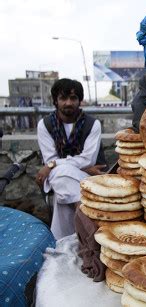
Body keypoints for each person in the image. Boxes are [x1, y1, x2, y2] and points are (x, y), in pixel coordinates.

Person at [35, 78, 106, 240]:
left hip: (88, 177)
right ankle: (87, 228)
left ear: (79, 101)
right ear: (55, 101)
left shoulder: (92, 124)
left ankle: (62, 242)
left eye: (73, 98)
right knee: (62, 174)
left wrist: (53, 165)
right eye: (63, 98)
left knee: (62, 184)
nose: (68, 103)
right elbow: (52, 158)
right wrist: (76, 166)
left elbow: (88, 159)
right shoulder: (45, 125)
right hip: (63, 176)